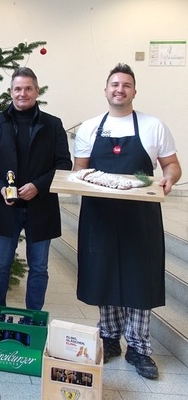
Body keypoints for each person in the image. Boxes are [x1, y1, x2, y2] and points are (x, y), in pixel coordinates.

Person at [73, 63, 181, 380]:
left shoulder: (153, 126)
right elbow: (79, 171)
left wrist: (168, 180)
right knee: (102, 274)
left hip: (141, 217)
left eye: (126, 85)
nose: (120, 89)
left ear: (134, 91)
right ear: (106, 90)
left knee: (139, 278)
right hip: (99, 215)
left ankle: (138, 347)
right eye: (115, 84)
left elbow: (172, 166)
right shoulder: (90, 128)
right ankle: (109, 339)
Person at [0, 67, 72, 312]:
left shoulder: (53, 125)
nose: (22, 93)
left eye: (28, 88)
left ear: (36, 91)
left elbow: (64, 164)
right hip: (4, 207)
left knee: (39, 267)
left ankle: (33, 319)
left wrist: (38, 187)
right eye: (17, 89)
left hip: (40, 207)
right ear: (11, 92)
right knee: (0, 266)